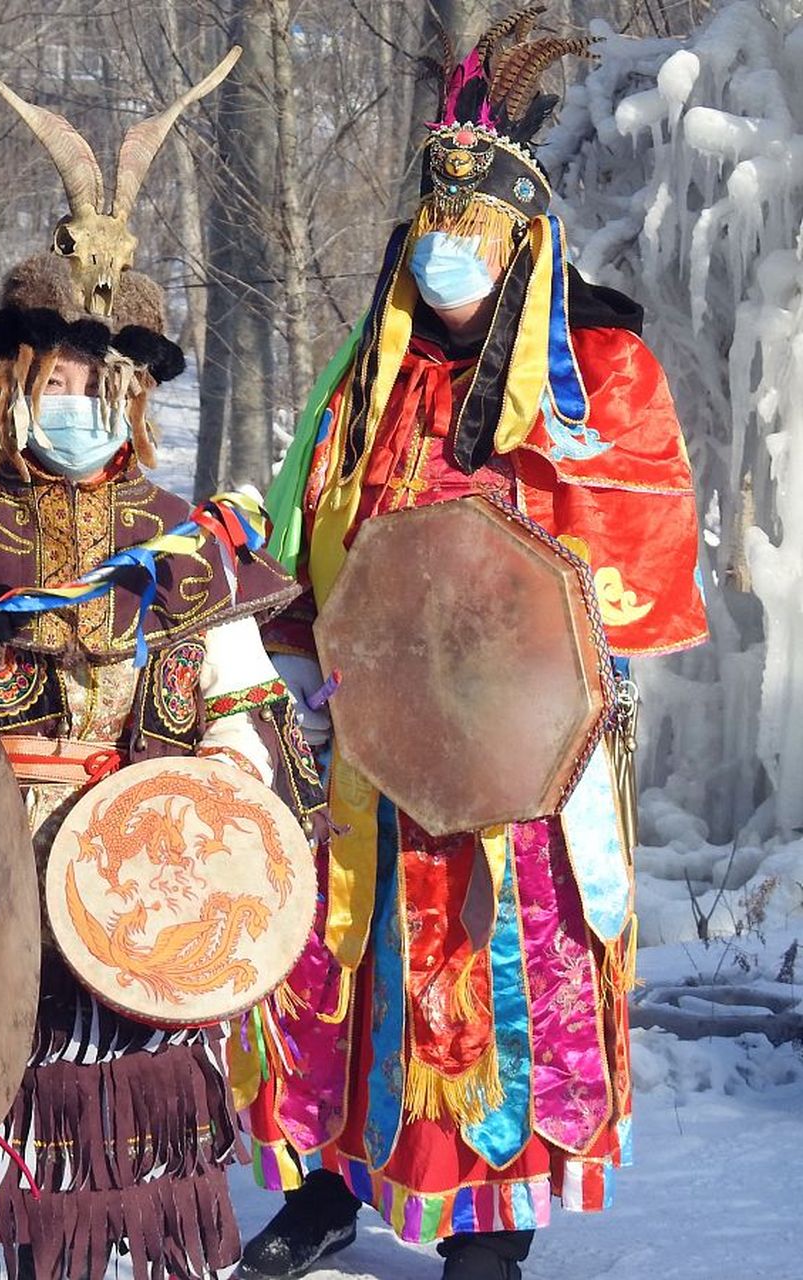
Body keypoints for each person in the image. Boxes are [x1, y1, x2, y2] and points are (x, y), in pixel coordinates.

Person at [0, 37, 324, 1280]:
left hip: (138, 899)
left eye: (104, 388)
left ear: (134, 400)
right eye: (59, 380)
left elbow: (249, 711)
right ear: (12, 385)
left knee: (133, 1163)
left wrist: (211, 794)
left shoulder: (185, 541)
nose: (82, 406)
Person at [239, 10, 709, 1280]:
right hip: (363, 734)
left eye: (476, 231)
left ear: (524, 241)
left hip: (521, 759)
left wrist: (522, 656)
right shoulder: (368, 380)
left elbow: (637, 567)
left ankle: (487, 1225)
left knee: (493, 978)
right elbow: (302, 532)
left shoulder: (599, 370)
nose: (449, 252)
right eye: (433, 229)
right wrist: (302, 653)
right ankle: (325, 1184)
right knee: (340, 964)